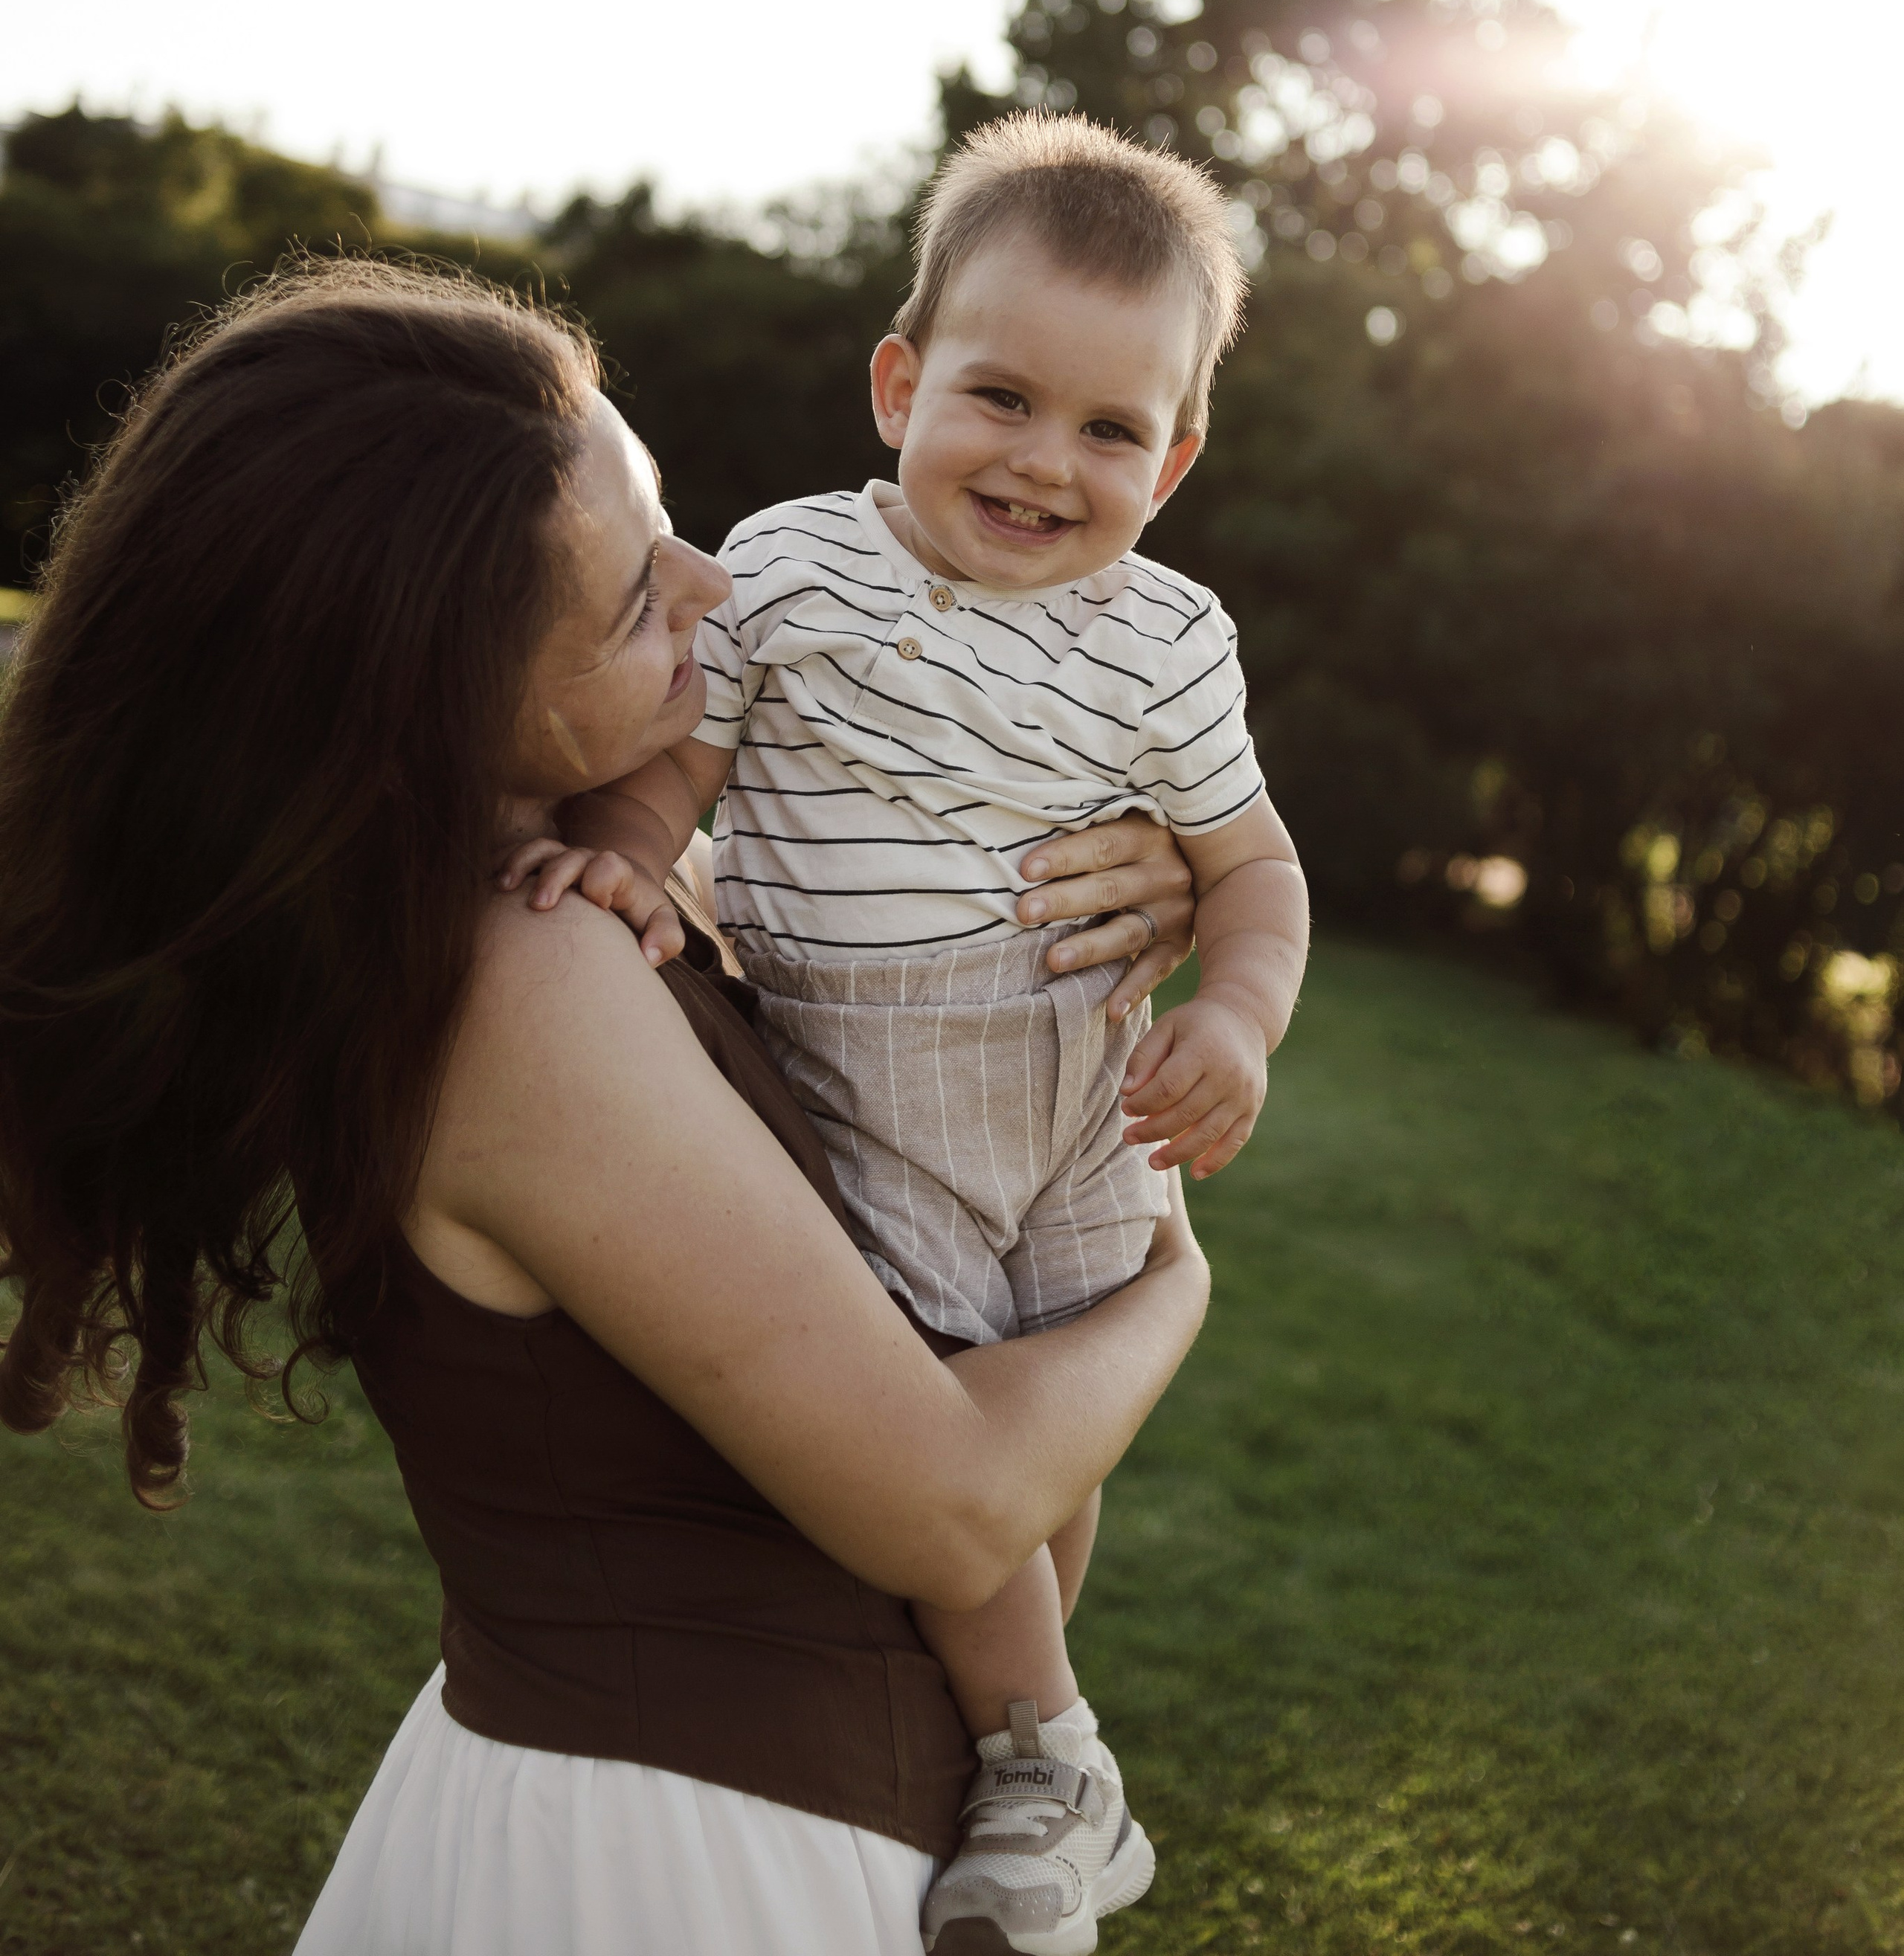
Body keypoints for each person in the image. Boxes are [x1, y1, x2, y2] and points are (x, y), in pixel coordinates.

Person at [0, 260, 1209, 1956]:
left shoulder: (569, 898)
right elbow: (949, 1500)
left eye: (668, 524)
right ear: (437, 695)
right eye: (639, 595)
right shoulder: (523, 979)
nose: (713, 585)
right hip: (679, 1875)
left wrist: (1129, 881)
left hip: (676, 1817)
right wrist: (1175, 1279)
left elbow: (890, 933)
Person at [509, 113, 1308, 1952]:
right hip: (869, 1084)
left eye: (1111, 431)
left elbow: (1249, 868)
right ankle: (1047, 1752)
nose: (1046, 462)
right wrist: (630, 865)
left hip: (1079, 1083)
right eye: (1001, 398)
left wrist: (1242, 1022)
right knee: (955, 1433)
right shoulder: (792, 570)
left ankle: (1028, 1749)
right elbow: (675, 770)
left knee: (1053, 1438)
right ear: (897, 384)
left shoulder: (1169, 645)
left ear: (1174, 458)